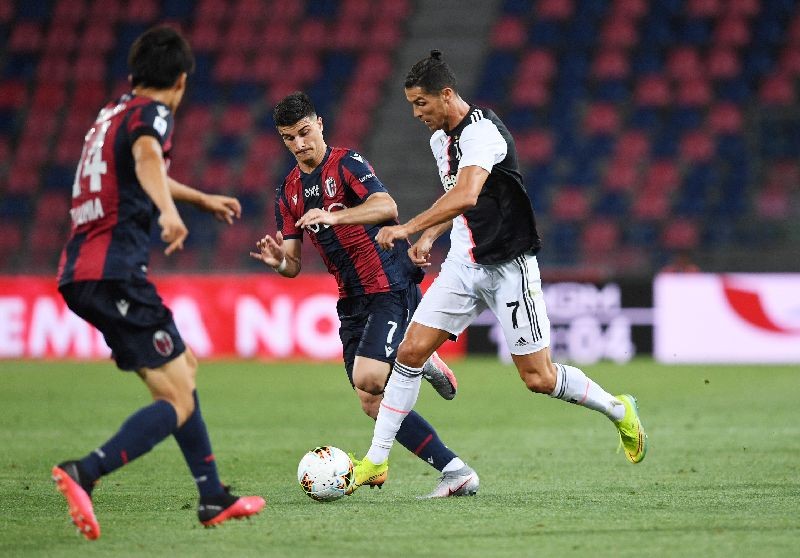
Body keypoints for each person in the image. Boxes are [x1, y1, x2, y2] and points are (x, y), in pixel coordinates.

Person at [351, 50, 648, 487]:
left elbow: (468, 193)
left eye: (421, 103)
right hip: (463, 263)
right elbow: (454, 202)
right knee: (409, 353)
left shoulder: (482, 134)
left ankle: (619, 409)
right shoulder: (440, 141)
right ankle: (376, 460)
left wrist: (410, 228)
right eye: (411, 105)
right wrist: (432, 237)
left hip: (508, 265)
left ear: (446, 95)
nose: (416, 113)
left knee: (539, 378)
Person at [51, 25, 264, 540]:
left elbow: (140, 166)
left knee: (183, 369)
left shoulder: (112, 113)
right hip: (115, 273)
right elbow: (148, 158)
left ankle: (213, 496)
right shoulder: (155, 113)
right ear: (182, 80)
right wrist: (169, 214)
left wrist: (198, 199)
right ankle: (85, 472)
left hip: (85, 272)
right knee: (177, 400)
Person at [250, 91, 479, 498]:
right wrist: (278, 262)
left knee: (370, 376)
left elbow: (386, 207)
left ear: (319, 123)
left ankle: (416, 357)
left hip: (389, 282)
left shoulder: (346, 163)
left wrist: (335, 215)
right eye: (289, 138)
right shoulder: (288, 191)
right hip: (351, 299)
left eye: (305, 132)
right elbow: (293, 263)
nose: (300, 144)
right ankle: (454, 469)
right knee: (371, 401)